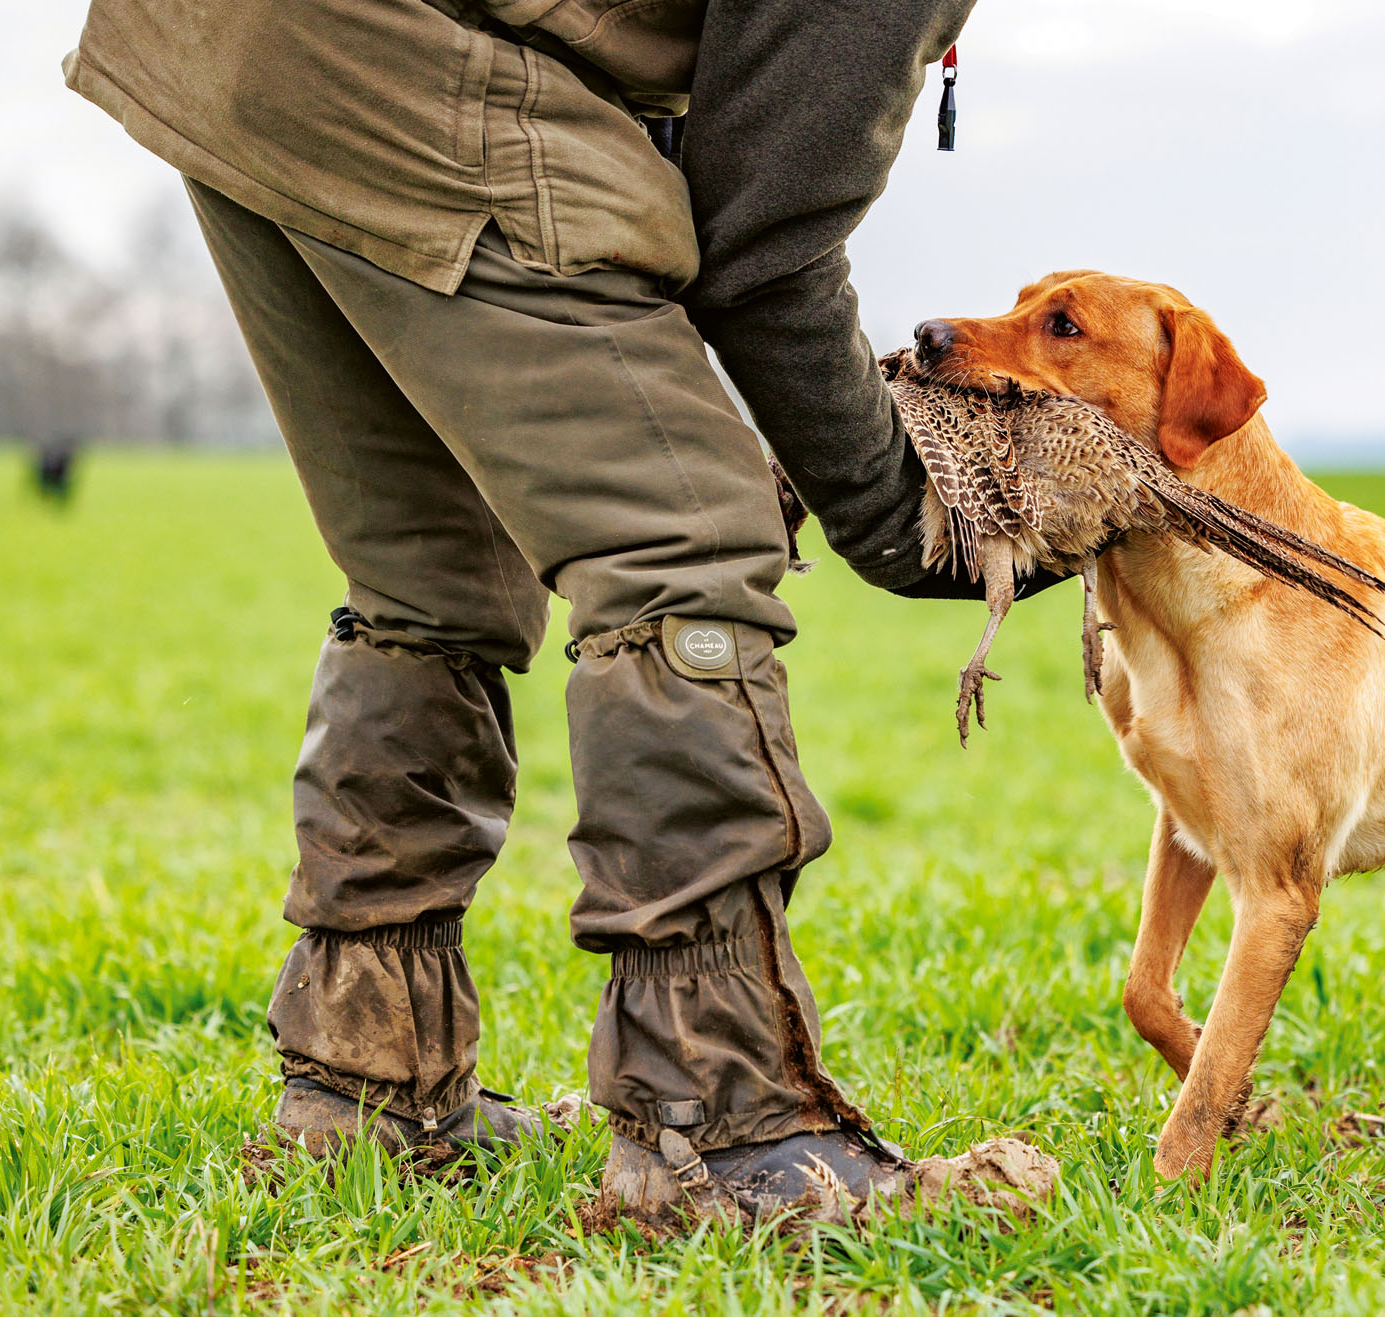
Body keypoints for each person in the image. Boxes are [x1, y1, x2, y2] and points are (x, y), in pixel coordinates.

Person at [64, 0, 1031, 1221]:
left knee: (432, 568)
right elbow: (764, 243)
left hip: (224, 45)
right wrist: (899, 517)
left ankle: (369, 1088)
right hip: (397, 53)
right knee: (684, 544)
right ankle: (726, 1144)